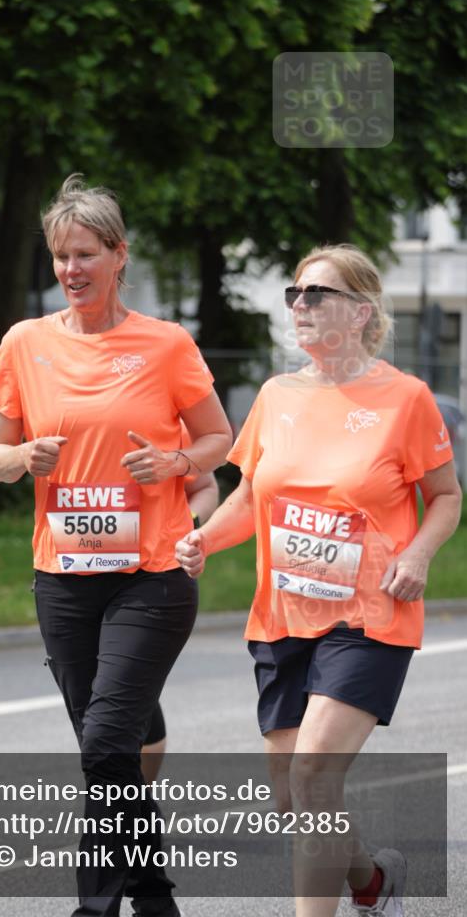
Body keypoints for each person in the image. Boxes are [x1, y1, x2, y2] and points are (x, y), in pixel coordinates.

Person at [175, 244, 462, 917]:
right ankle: (369, 881)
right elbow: (250, 496)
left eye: (316, 294)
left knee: (312, 773)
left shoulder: (405, 400)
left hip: (369, 616)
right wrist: (203, 540)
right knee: (293, 794)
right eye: (294, 294)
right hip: (282, 616)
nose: (299, 305)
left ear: (360, 313)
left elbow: (444, 497)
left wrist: (417, 554)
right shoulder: (277, 395)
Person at [0, 174, 232, 917]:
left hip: (149, 574)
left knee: (103, 746)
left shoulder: (163, 345)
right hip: (62, 576)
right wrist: (25, 458)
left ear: (119, 256)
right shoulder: (25, 343)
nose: (71, 271)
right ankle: (154, 899)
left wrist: (178, 463)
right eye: (60, 256)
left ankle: (93, 909)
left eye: (86, 254)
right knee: (112, 754)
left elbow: (220, 438)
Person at [140, 467, 220, 783]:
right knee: (96, 704)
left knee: (125, 695)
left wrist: (182, 526)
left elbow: (206, 487)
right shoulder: (51, 419)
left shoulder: (171, 419)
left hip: (149, 580)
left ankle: (131, 803)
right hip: (70, 584)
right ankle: (128, 802)